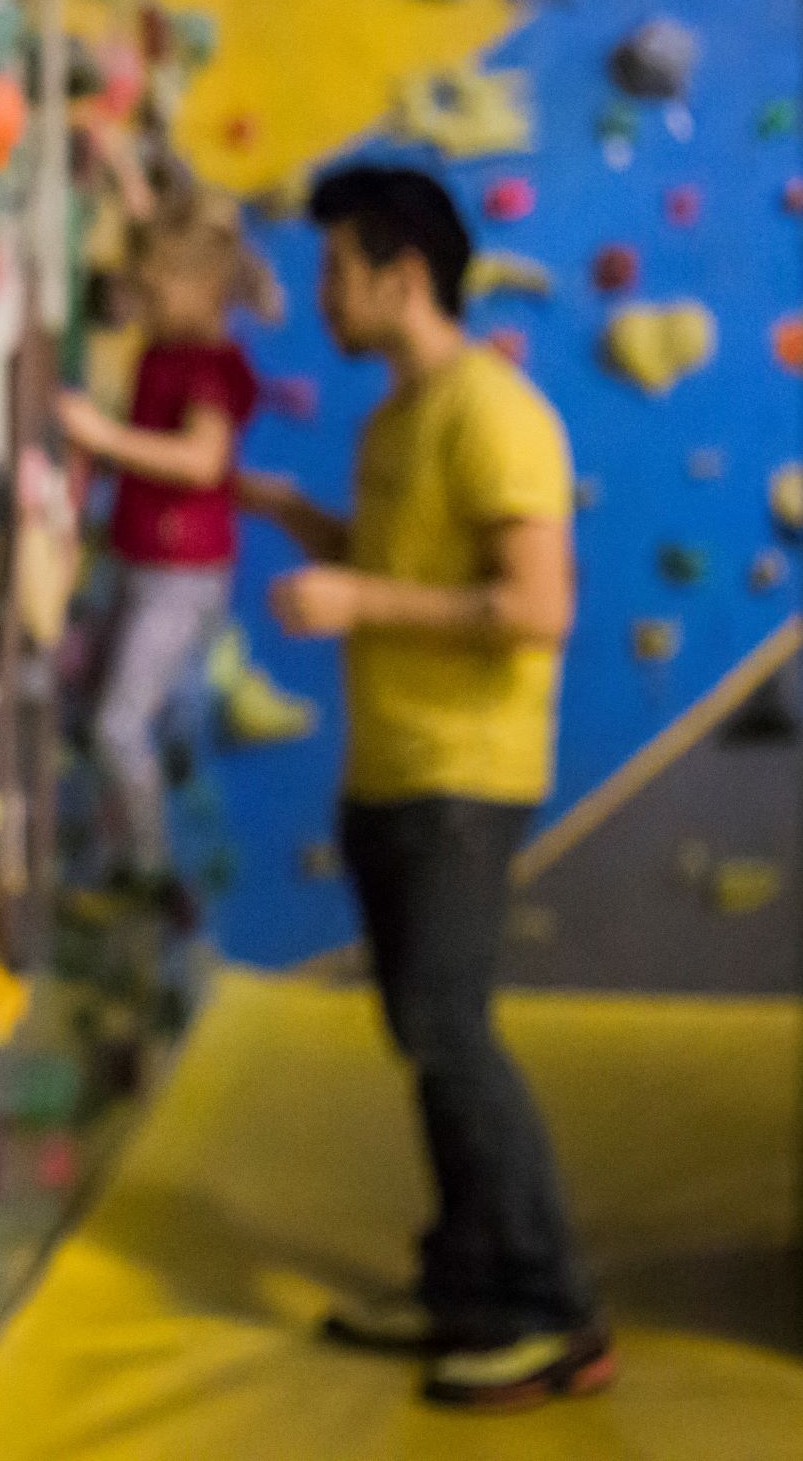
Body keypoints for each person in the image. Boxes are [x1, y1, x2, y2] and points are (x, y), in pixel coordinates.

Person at [240, 164, 613, 1410]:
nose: (322, 295)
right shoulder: (394, 421)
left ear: (402, 276)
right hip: (392, 770)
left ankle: (552, 1309)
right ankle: (465, 1280)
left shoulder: (492, 413)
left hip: (464, 775)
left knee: (449, 1032)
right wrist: (304, 521)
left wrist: (355, 600)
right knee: (422, 1033)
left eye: (336, 269)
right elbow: (403, 567)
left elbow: (534, 607)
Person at [58, 184, 272, 886]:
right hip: (138, 554)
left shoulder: (212, 366)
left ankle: (144, 866)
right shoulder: (162, 345)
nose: (142, 304)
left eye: (157, 291)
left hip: (181, 571)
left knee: (118, 723)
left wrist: (103, 435)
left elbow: (200, 459)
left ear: (206, 285)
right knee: (94, 708)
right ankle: (104, 844)